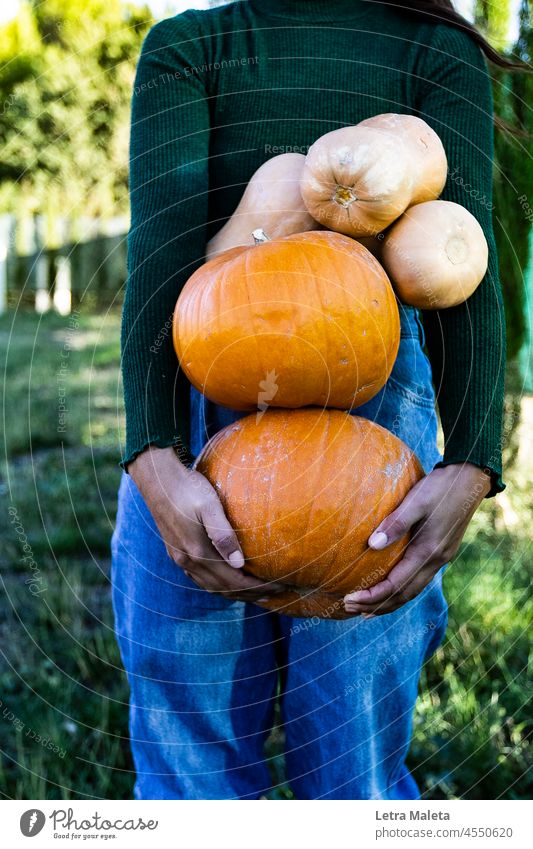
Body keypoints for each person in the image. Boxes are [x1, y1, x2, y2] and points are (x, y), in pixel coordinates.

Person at [111, 0, 511, 800]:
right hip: (208, 356)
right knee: (188, 725)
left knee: (350, 742)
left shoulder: (436, 51)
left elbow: (464, 271)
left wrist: (471, 459)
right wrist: (154, 453)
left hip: (368, 371)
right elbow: (160, 250)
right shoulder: (191, 45)